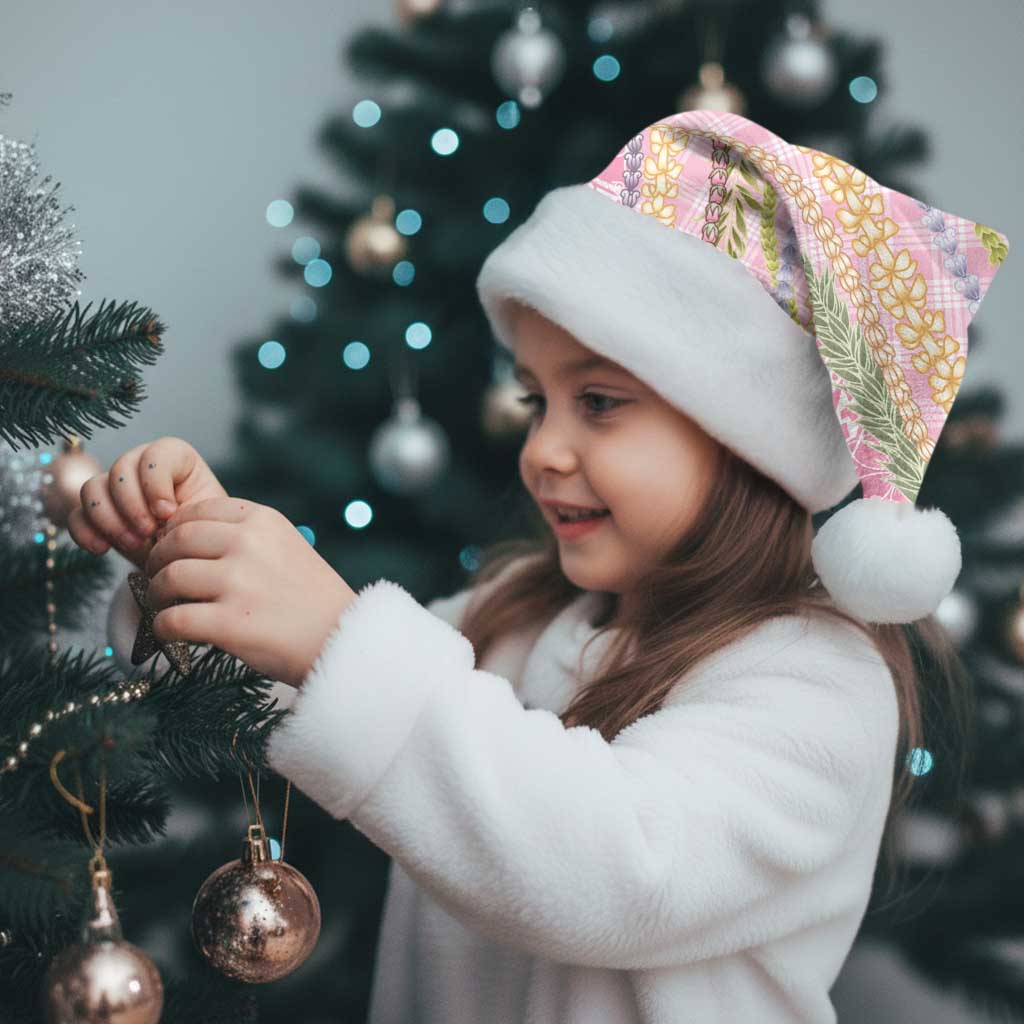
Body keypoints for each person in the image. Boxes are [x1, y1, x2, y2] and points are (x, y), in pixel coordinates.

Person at [76, 110, 1009, 1023]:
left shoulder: (818, 683)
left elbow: (615, 871)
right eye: (536, 401)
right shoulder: (516, 615)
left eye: (598, 402)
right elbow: (306, 691)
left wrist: (333, 636)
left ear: (746, 438)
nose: (542, 451)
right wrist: (194, 563)